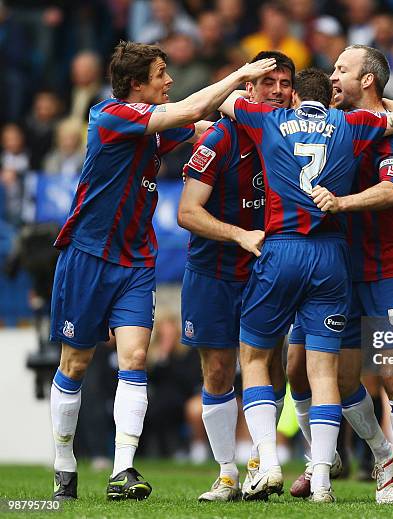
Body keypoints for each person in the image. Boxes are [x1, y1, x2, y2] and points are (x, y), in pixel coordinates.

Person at [48, 40, 276, 501]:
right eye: (161, 74)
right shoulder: (109, 115)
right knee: (75, 363)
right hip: (88, 256)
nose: (169, 81)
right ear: (137, 84)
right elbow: (187, 110)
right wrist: (237, 74)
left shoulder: (154, 125)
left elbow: (202, 122)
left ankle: (123, 470)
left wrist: (254, 108)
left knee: (134, 359)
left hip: (135, 260)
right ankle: (64, 464)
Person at [218, 67, 393, 502]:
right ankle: (324, 482)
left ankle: (268, 463)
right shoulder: (350, 123)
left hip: (282, 248)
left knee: (254, 356)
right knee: (323, 370)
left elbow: (222, 102)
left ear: (294, 99)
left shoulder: (267, 119)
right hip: (332, 254)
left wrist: (246, 76)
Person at [286, 44, 393, 504]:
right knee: (341, 379)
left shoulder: (391, 134)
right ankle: (388, 456)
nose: (332, 77)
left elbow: (392, 191)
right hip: (342, 267)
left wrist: (341, 203)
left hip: (391, 268)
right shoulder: (340, 127)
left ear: (368, 80)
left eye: (342, 70)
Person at [177, 50, 295, 502]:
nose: (279, 91)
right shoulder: (221, 139)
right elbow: (187, 212)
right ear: (249, 88)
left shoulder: (292, 137)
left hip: (268, 270)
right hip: (213, 270)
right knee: (219, 371)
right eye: (270, 83)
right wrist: (239, 235)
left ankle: (258, 464)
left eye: (285, 83)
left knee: (270, 368)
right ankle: (226, 473)